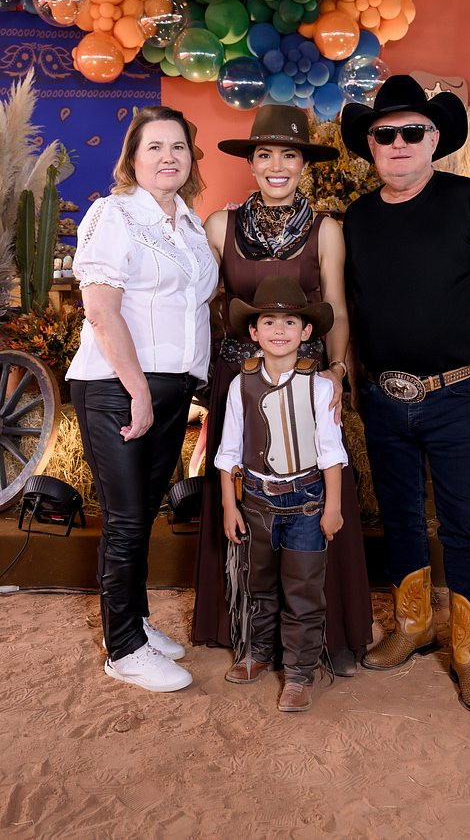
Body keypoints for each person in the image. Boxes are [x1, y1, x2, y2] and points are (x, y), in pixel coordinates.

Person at [341, 75, 470, 716]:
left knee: (463, 523)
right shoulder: (358, 219)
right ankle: (414, 625)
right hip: (383, 396)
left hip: (456, 396)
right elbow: (349, 307)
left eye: (412, 131)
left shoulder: (468, 200)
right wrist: (350, 376)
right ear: (371, 146)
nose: (398, 142)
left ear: (433, 140)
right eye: (385, 134)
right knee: (398, 516)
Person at [191, 105, 372, 676]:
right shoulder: (219, 227)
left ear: (303, 164)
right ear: (251, 162)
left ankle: (321, 637)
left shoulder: (327, 230)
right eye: (265, 154)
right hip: (239, 383)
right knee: (243, 500)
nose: (276, 165)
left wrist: (337, 371)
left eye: (288, 155)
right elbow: (202, 306)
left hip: (307, 380)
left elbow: (336, 305)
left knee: (314, 498)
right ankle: (245, 633)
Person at [66, 106, 219, 692]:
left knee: (142, 513)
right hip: (117, 386)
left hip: (172, 388)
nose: (167, 157)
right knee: (126, 519)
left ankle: (135, 622)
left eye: (178, 146)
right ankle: (124, 649)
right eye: (154, 147)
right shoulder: (114, 215)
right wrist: (136, 391)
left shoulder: (189, 223)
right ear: (132, 158)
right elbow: (101, 312)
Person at [216, 275, 346, 712]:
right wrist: (229, 505)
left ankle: (299, 673)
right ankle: (257, 652)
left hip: (307, 503)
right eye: (268, 322)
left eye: (289, 322)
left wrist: (332, 508)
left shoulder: (320, 386)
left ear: (306, 332)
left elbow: (331, 453)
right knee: (258, 583)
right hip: (255, 502)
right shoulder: (241, 385)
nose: (278, 330)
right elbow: (228, 452)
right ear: (253, 332)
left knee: (304, 589)